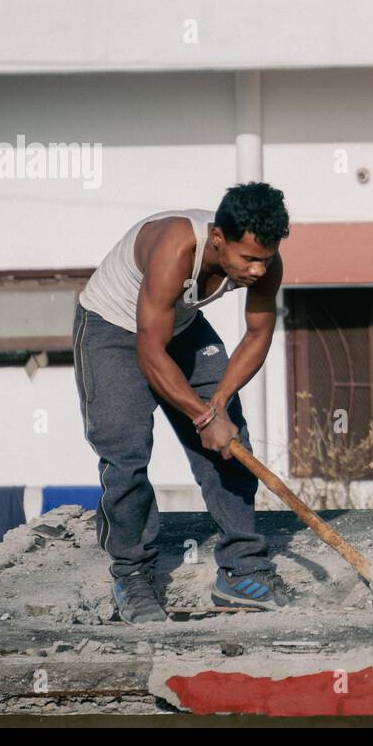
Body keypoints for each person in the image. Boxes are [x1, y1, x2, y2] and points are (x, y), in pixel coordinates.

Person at [73, 181, 293, 621]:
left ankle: (241, 570)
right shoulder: (174, 246)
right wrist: (199, 413)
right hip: (112, 331)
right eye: (247, 259)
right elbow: (149, 351)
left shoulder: (266, 264)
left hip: (182, 326)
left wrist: (219, 404)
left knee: (230, 441)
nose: (256, 270)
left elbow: (257, 335)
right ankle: (132, 574)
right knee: (126, 455)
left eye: (264, 260)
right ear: (216, 239)